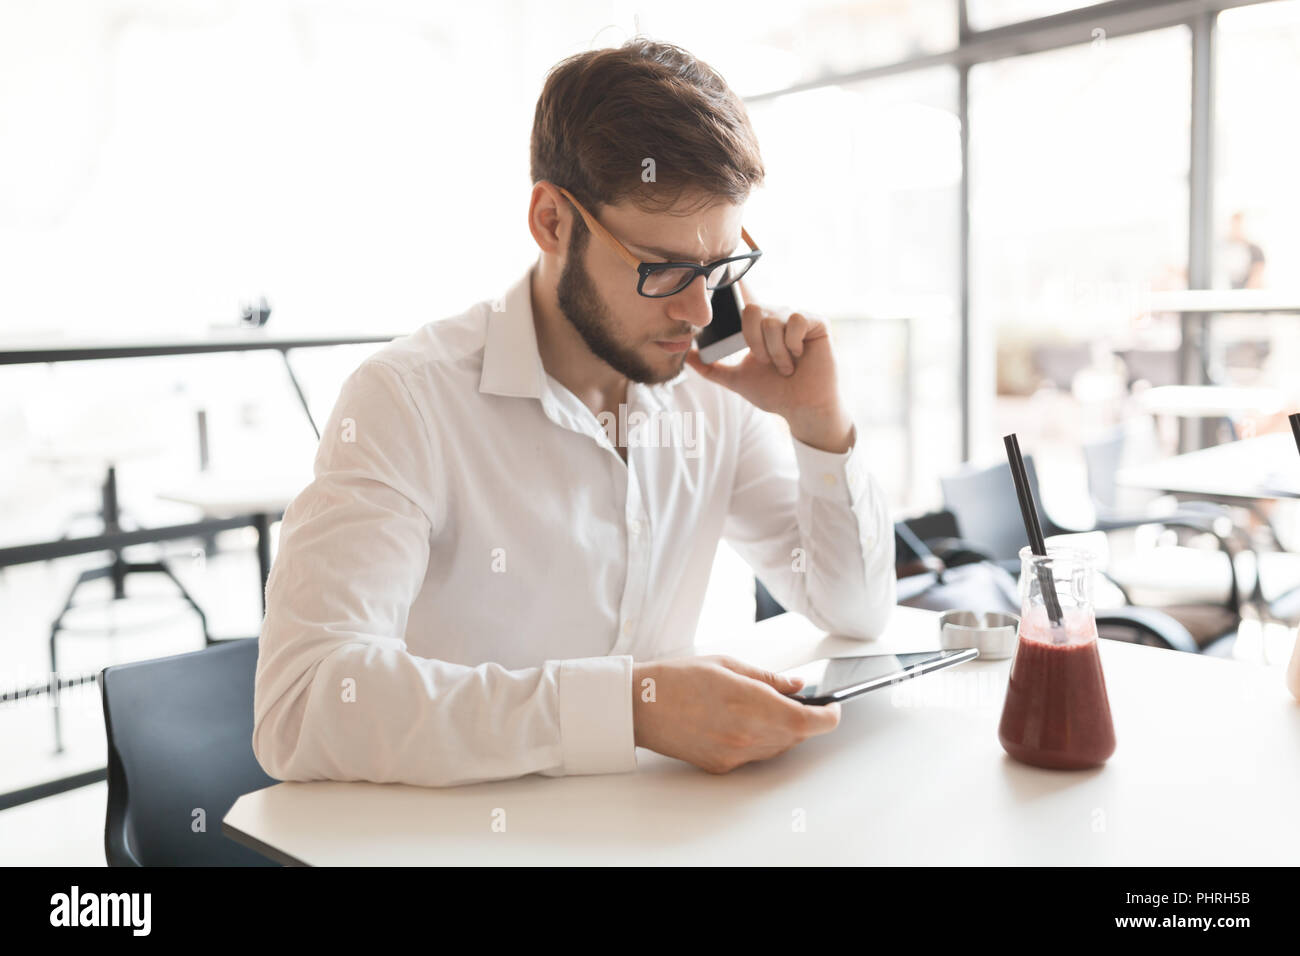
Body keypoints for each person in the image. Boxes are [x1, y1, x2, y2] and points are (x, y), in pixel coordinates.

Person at [252, 39, 896, 788]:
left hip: (664, 833)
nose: (698, 311)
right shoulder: (408, 401)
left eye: (720, 269)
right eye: (664, 270)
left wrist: (820, 429)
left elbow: (854, 613)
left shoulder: (716, 389)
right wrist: (627, 708)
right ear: (553, 221)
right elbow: (303, 706)